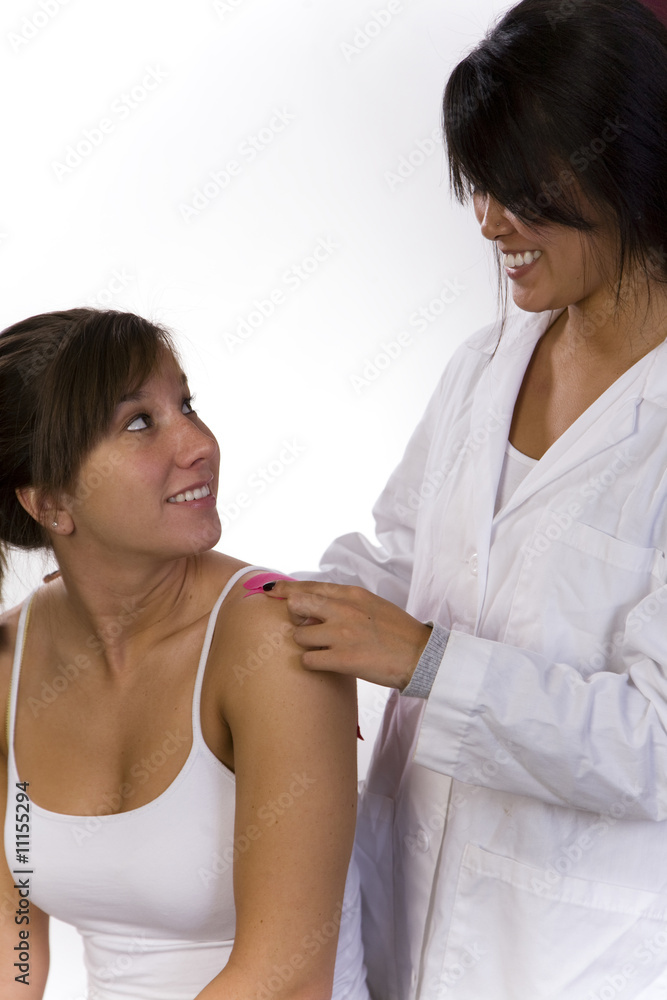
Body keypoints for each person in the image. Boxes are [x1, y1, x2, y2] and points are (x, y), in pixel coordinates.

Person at [262, 1, 667, 997]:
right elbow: (401, 562)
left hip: (570, 959)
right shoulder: (482, 367)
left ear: (629, 167)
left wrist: (426, 662)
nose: (488, 221)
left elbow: (653, 745)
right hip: (398, 916)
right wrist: (221, 602)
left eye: (519, 189)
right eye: (479, 185)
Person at [0, 308, 369, 999]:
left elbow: (288, 978)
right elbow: (12, 946)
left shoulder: (275, 639)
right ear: (50, 504)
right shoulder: (8, 666)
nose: (199, 444)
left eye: (187, 405)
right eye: (140, 422)